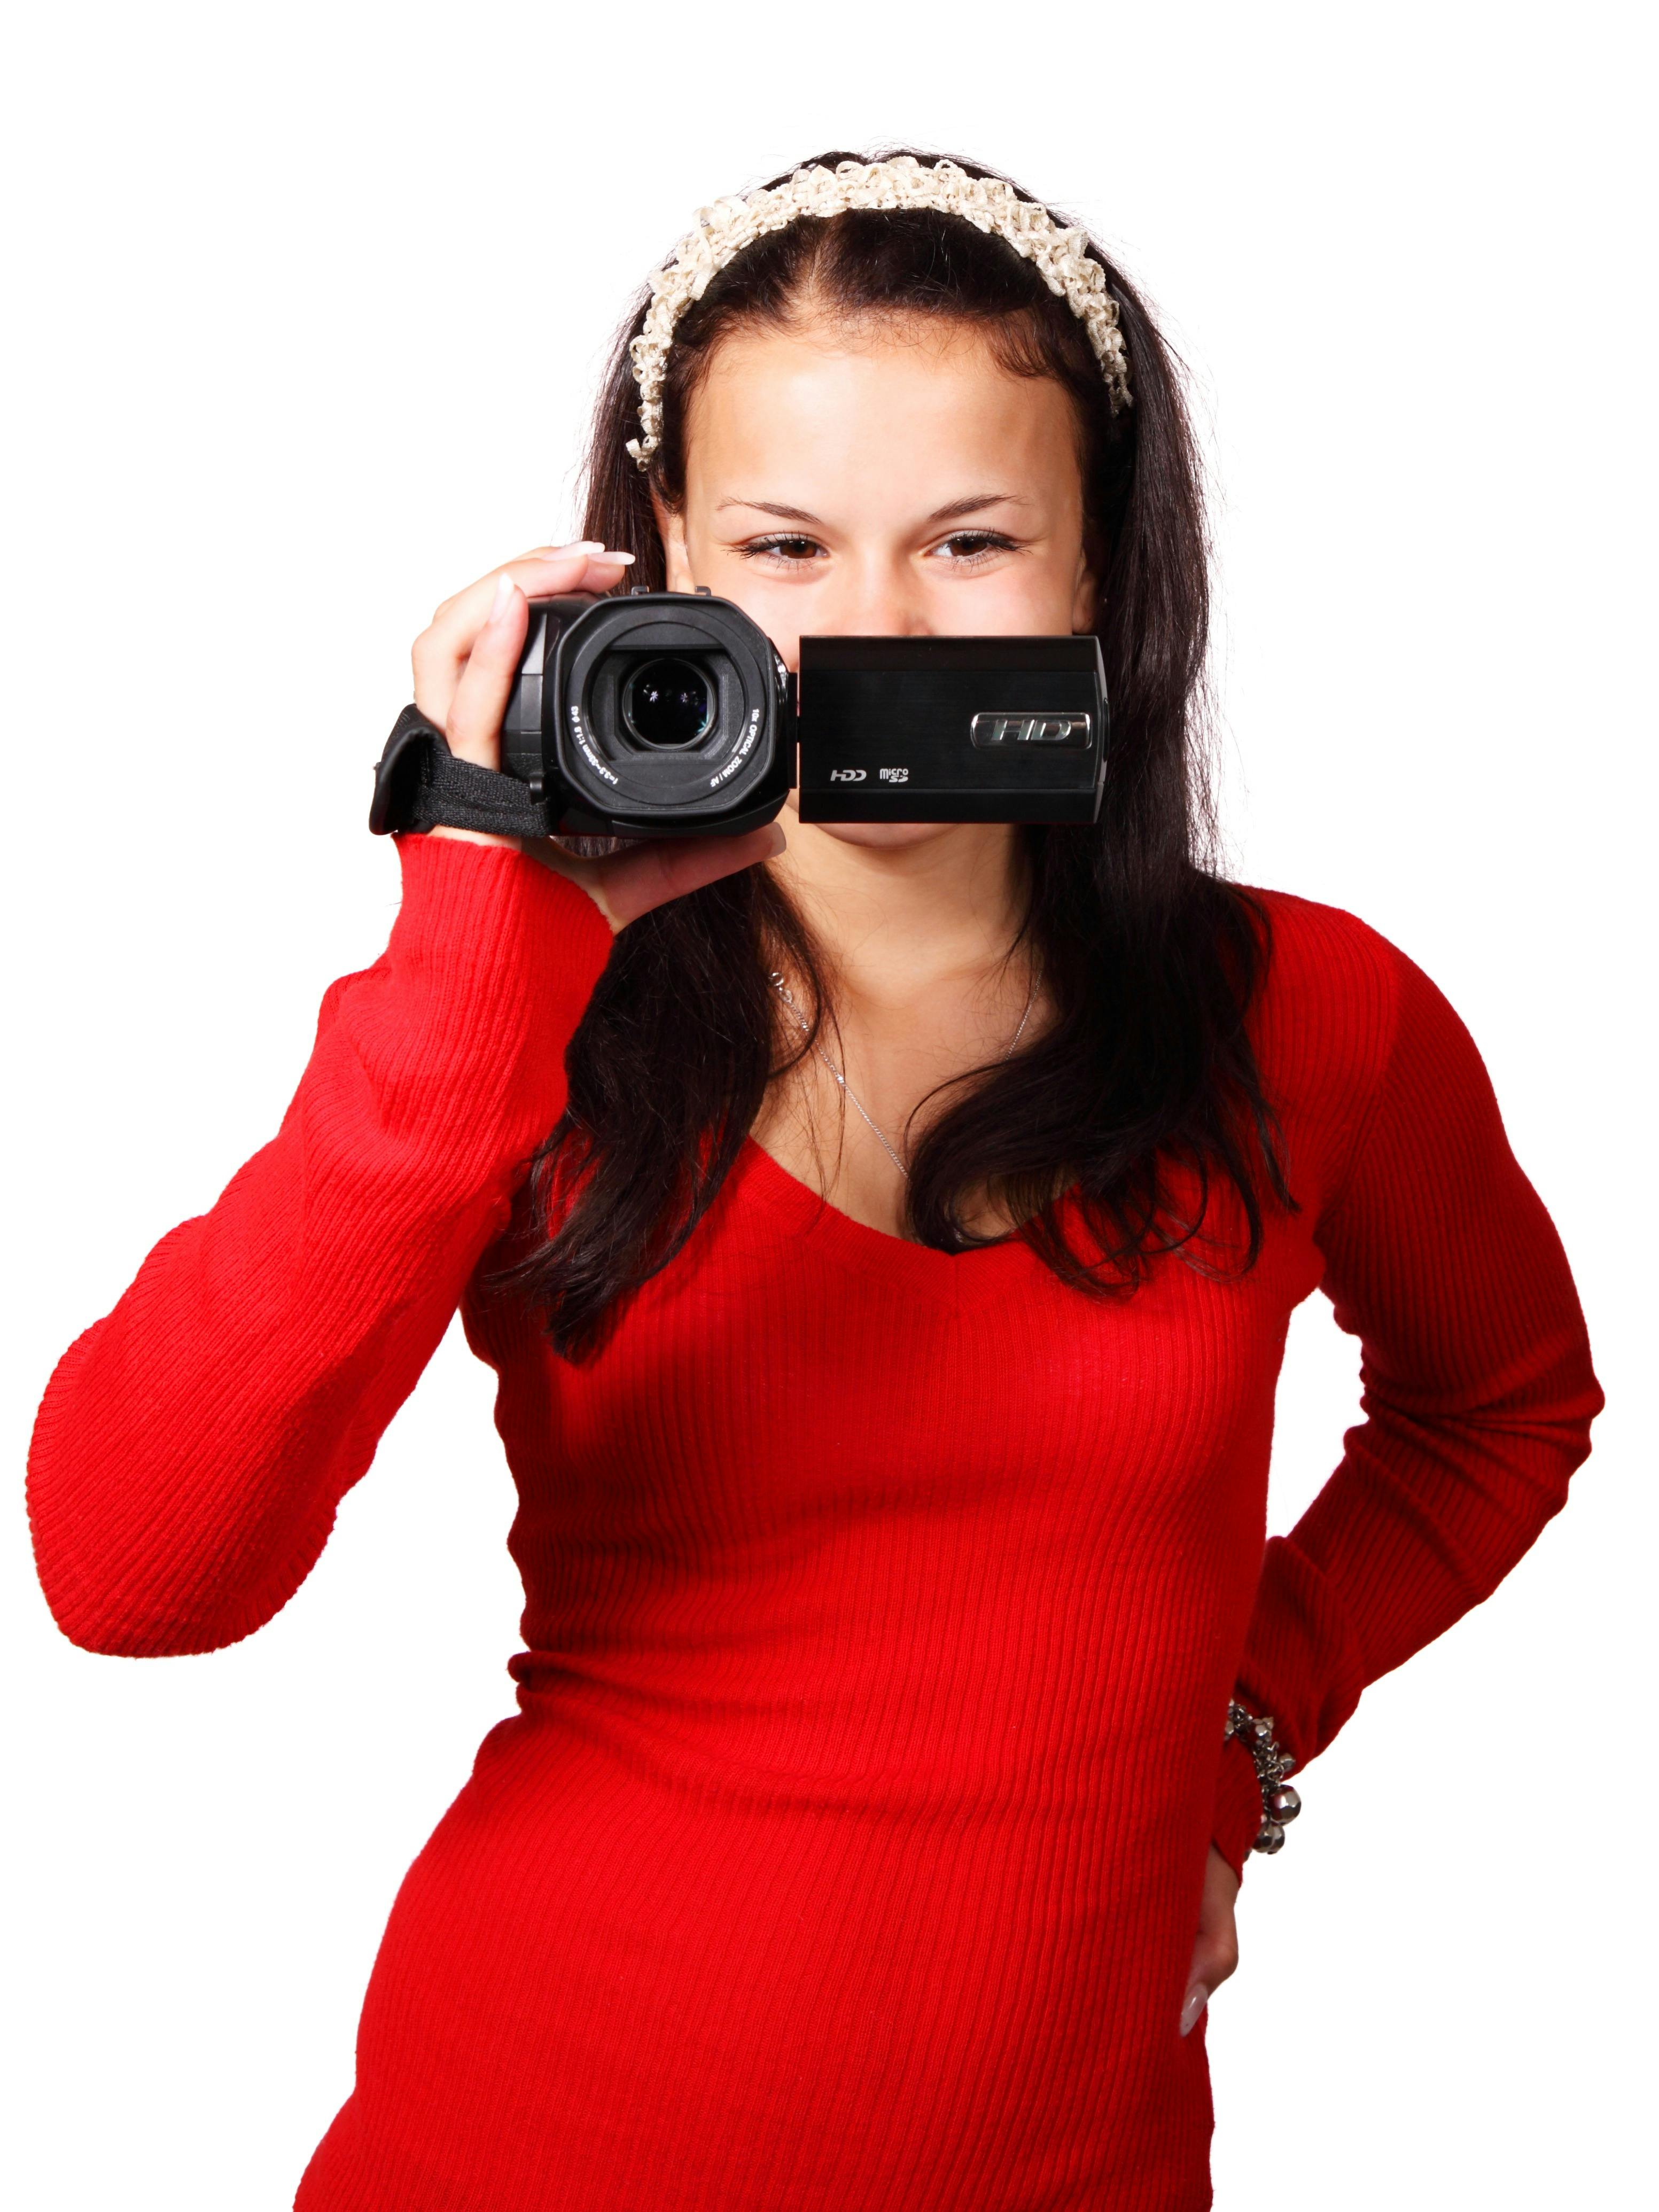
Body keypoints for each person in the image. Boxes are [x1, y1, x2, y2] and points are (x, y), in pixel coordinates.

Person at [25, 149, 1603, 2211]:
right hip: (517, 2126)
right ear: (658, 550)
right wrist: (477, 936)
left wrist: (1243, 1715)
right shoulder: (511, 1016)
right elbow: (134, 1575)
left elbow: (1501, 1409)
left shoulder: (1316, 1011)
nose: (867, 628)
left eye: (967, 539)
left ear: (1099, 565)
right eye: (782, 543)